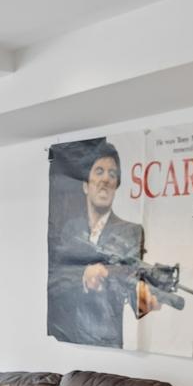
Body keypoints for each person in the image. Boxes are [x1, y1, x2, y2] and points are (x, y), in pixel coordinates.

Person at [46, 141, 158, 347]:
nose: (106, 179)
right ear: (85, 185)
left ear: (116, 187)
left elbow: (134, 294)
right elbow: (54, 281)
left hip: (105, 345)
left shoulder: (131, 232)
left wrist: (147, 300)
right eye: (99, 171)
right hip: (66, 340)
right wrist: (83, 275)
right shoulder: (70, 229)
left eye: (112, 175)